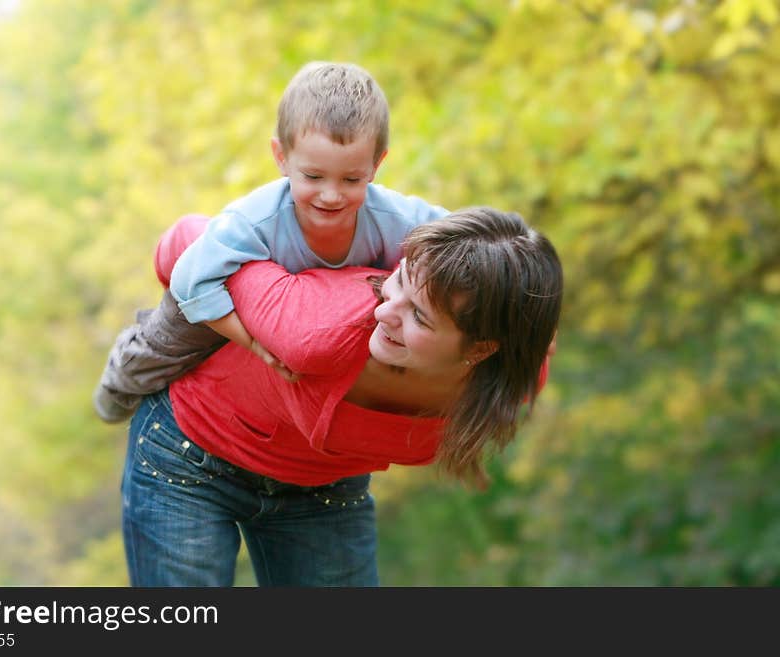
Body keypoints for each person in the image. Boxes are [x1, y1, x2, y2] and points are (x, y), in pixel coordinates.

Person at [121, 206, 563, 586]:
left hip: (321, 490)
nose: (384, 312)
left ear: (484, 349)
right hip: (190, 455)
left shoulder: (513, 379)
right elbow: (193, 238)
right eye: (399, 282)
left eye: (420, 318)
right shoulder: (316, 324)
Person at [93, 60, 448, 422]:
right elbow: (191, 279)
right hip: (228, 294)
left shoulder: (395, 218)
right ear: (282, 157)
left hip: (299, 316)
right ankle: (116, 386)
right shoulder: (255, 218)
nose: (331, 195)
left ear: (376, 165)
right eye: (313, 176)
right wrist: (253, 344)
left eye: (351, 180)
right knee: (173, 345)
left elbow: (459, 234)